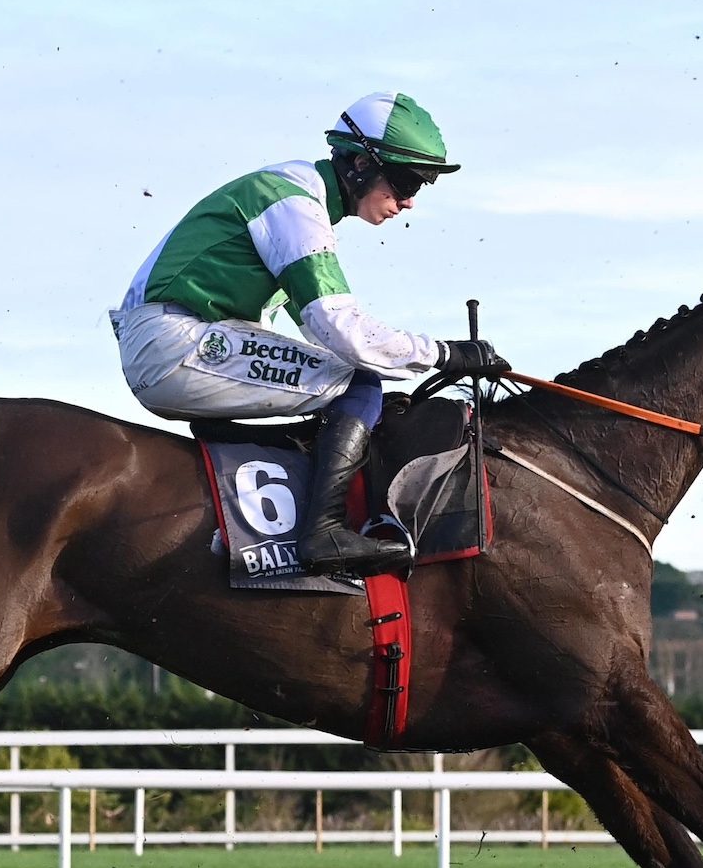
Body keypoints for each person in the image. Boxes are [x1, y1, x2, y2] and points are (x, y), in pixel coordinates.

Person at [110, 92, 509, 577]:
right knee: (359, 383)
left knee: (344, 388)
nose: (407, 200)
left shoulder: (298, 199)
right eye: (404, 181)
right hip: (176, 342)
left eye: (418, 186)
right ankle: (323, 533)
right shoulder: (294, 203)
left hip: (175, 337)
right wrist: (444, 353)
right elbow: (342, 331)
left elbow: (319, 338)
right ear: (360, 163)